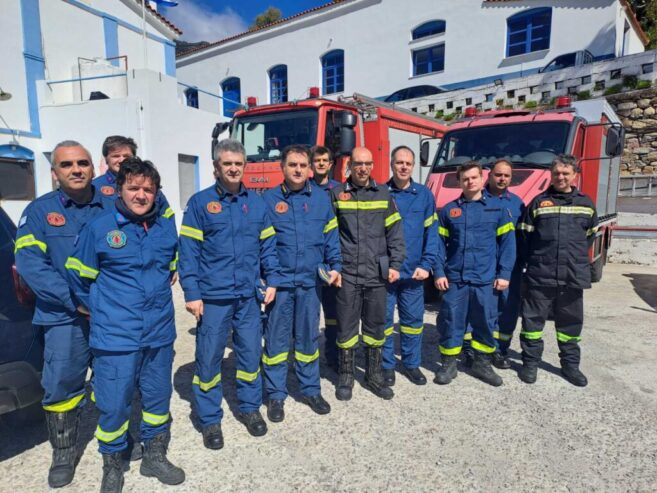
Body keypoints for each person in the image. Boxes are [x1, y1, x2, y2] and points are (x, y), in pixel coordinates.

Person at [66, 158, 184, 492]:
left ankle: (154, 456)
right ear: (119, 189)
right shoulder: (100, 228)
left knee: (158, 398)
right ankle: (113, 464)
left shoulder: (164, 227)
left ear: (156, 193)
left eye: (148, 189)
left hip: (159, 332)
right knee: (114, 404)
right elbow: (78, 277)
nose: (141, 195)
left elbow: (171, 267)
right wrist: (100, 310)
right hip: (116, 336)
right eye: (133, 188)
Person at [14, 140, 113, 488]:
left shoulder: (113, 205)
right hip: (64, 317)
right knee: (61, 384)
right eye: (67, 165)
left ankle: (115, 438)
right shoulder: (39, 212)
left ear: (93, 168)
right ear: (54, 172)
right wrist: (75, 300)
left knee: (113, 379)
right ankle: (64, 452)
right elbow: (32, 266)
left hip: (109, 315)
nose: (76, 170)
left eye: (82, 163)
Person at [178, 139, 280, 448]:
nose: (234, 168)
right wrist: (192, 293)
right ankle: (210, 419)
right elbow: (189, 252)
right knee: (209, 359)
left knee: (249, 354)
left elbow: (268, 247)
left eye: (238, 163)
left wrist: (272, 280)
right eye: (227, 163)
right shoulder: (200, 203)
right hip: (214, 298)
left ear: (244, 166)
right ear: (216, 167)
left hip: (248, 297)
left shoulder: (257, 204)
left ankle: (249, 408)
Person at [262, 145, 342, 422]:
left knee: (308, 338)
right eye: (292, 165)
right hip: (281, 284)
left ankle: (310, 390)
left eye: (302, 165)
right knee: (276, 341)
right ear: (282, 167)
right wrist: (268, 278)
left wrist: (336, 266)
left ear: (309, 168)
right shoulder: (268, 200)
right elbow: (264, 245)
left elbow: (331, 236)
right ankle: (275, 394)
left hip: (310, 283)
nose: (298, 170)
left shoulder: (321, 199)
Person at [330, 146, 405, 401]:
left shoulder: (383, 194)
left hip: (376, 273)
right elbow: (329, 235)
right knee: (346, 327)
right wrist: (333, 267)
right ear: (349, 165)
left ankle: (374, 376)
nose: (363, 168)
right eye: (358, 163)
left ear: (372, 166)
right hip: (348, 273)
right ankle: (346, 376)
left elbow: (395, 233)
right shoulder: (337, 194)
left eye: (367, 163)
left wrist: (395, 265)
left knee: (376, 326)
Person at [517, 155, 598, 387]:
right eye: (556, 173)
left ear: (575, 175)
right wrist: (534, 262)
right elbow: (524, 236)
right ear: (551, 175)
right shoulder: (538, 202)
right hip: (540, 274)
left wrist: (573, 259)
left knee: (570, 325)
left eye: (565, 173)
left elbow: (589, 236)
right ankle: (530, 364)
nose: (560, 177)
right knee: (532, 324)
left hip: (572, 275)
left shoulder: (586, 204)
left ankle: (570, 366)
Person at [433, 161, 516, 387]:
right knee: (450, 321)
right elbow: (438, 245)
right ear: (459, 182)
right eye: (465, 179)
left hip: (485, 279)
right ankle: (448, 364)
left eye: (473, 178)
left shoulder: (498, 209)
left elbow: (508, 244)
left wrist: (504, 274)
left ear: (482, 178)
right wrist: (438, 272)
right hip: (455, 279)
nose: (470, 182)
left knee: (485, 322)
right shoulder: (449, 211)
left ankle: (482, 364)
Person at [382, 146, 438, 386]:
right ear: (391, 164)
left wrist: (427, 264)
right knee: (384, 323)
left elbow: (432, 233)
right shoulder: (381, 193)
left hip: (414, 272)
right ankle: (386, 365)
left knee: (413, 323)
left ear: (413, 166)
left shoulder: (424, 195)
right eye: (399, 162)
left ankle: (411, 364)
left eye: (408, 163)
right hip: (387, 273)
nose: (403, 167)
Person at [485, 160, 525, 369]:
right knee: (483, 309)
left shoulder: (517, 203)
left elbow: (524, 236)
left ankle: (500, 350)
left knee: (508, 309)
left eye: (506, 176)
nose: (502, 179)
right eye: (498, 174)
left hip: (511, 268)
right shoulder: (477, 199)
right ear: (489, 175)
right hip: (484, 266)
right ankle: (481, 349)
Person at [310, 145, 340, 370]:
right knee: (308, 316)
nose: (321, 163)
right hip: (311, 260)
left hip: (332, 261)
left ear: (331, 164)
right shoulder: (304, 189)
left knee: (333, 313)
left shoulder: (340, 191)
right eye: (317, 160)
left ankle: (333, 355)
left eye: (325, 160)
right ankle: (307, 358)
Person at [93, 135, 174, 220]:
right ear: (106, 159)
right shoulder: (94, 187)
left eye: (126, 156)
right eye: (116, 156)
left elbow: (167, 217)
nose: (121, 160)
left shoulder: (149, 185)